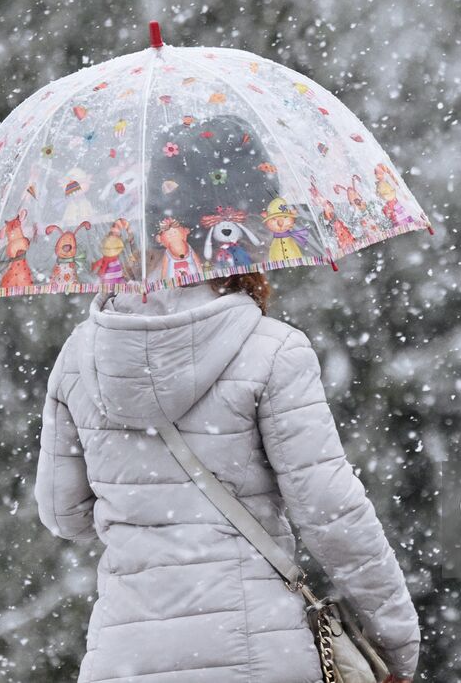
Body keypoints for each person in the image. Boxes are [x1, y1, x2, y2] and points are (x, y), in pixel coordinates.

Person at [35, 273, 420, 683]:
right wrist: (395, 643)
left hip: (124, 657)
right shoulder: (272, 349)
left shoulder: (79, 358)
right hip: (259, 648)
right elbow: (331, 512)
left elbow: (64, 514)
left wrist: (142, 513)